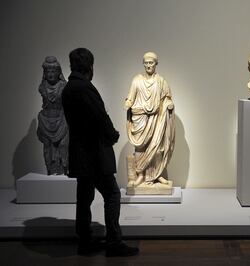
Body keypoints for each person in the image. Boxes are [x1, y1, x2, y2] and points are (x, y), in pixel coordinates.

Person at [62, 48, 138, 256]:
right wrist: (112, 134)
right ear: (90, 67)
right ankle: (114, 242)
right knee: (112, 194)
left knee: (84, 196)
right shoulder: (85, 88)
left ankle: (85, 240)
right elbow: (99, 117)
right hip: (94, 153)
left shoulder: (68, 88)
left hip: (79, 153)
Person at [124, 52, 175, 194]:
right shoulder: (136, 81)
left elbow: (167, 98)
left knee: (157, 148)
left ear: (156, 64)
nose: (148, 66)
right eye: (146, 63)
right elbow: (130, 97)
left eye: (151, 63)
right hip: (140, 118)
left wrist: (169, 104)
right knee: (140, 147)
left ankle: (157, 176)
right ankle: (140, 175)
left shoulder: (161, 81)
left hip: (157, 119)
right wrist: (127, 104)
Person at [37, 56, 69, 175]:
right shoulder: (42, 87)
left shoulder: (63, 86)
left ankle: (64, 169)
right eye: (48, 71)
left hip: (61, 120)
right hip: (46, 119)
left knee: (63, 146)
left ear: (58, 72)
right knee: (47, 146)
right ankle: (50, 170)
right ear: (44, 73)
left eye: (53, 71)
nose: (50, 74)